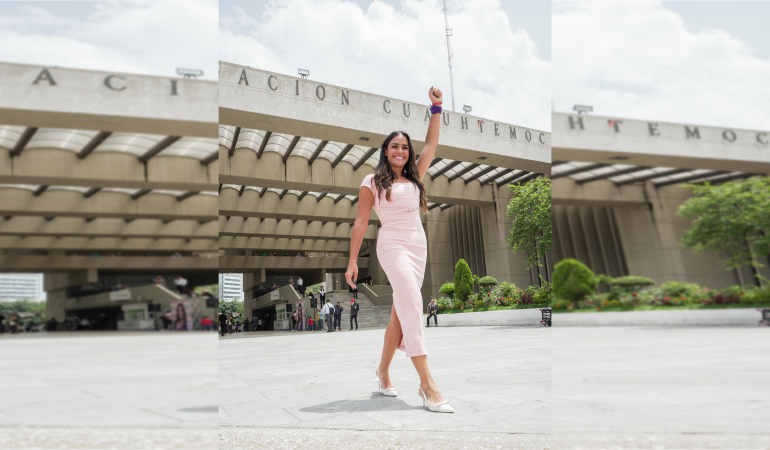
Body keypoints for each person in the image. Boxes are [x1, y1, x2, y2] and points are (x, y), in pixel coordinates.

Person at [345, 87, 453, 413]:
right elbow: (361, 223)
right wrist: (352, 260)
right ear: (385, 150)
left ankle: (382, 372)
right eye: (395, 146)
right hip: (391, 246)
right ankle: (427, 385)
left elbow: (432, 144)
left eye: (405, 147)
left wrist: (436, 108)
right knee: (413, 301)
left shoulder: (415, 176)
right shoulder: (372, 182)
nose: (401, 151)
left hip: (418, 248)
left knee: (398, 319)